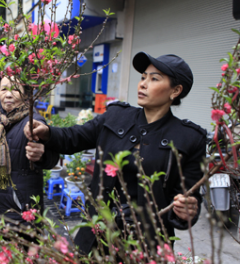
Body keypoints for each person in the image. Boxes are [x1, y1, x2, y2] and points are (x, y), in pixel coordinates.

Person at [24, 52, 206, 254]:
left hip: (145, 246)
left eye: (154, 79)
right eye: (143, 77)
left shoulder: (189, 139)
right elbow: (73, 138)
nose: (143, 84)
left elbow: (188, 195)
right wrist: (47, 131)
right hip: (95, 237)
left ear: (176, 90)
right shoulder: (116, 116)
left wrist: (186, 211)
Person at [0, 77, 59, 230]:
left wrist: (42, 155)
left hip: (20, 212)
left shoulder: (34, 122)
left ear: (25, 94)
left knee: (22, 252)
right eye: (4, 89)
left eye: (15, 89)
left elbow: (51, 159)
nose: (9, 94)